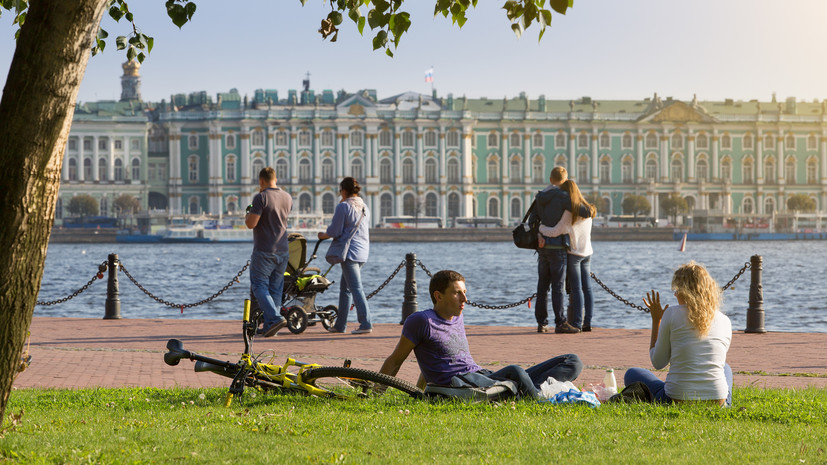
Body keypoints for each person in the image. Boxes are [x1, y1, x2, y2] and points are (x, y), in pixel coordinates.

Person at [379, 270, 583, 399]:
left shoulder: (457, 317)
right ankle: (537, 401)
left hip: (483, 377)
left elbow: (434, 358)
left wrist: (420, 391)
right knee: (515, 372)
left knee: (572, 361)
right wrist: (373, 393)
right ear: (438, 296)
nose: (464, 298)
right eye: (457, 293)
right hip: (462, 385)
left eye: (465, 292)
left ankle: (530, 391)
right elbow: (396, 360)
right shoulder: (421, 320)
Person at [624, 262, 733, 406]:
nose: (675, 295)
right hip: (716, 401)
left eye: (676, 290)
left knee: (632, 373)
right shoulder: (725, 320)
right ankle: (727, 404)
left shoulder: (672, 313)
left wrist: (657, 320)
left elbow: (658, 362)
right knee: (725, 368)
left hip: (675, 399)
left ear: (684, 291)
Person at [538, 179, 596, 332]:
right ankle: (587, 322)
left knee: (576, 289)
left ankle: (577, 323)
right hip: (587, 252)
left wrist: (541, 228)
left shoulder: (570, 212)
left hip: (575, 253)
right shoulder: (588, 209)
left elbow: (557, 230)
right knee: (587, 288)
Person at [318, 177, 373, 335]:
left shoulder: (343, 206)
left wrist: (323, 234)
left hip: (349, 252)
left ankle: (365, 323)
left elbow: (335, 231)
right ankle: (340, 325)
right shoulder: (364, 206)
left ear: (344, 191)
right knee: (346, 289)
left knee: (355, 288)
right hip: (363, 252)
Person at [245, 167, 292, 337]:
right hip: (283, 250)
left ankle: (275, 317)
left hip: (265, 250)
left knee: (259, 286)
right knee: (276, 289)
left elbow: (251, 223)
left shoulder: (261, 197)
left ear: (261, 181)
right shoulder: (287, 197)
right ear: (276, 179)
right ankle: (271, 326)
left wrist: (248, 213)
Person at [533, 166, 579, 334]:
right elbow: (581, 210)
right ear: (564, 180)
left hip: (542, 247)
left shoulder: (540, 196)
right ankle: (560, 322)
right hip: (558, 246)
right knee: (557, 287)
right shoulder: (564, 197)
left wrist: (539, 235)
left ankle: (541, 323)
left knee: (542, 287)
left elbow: (533, 219)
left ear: (550, 179)